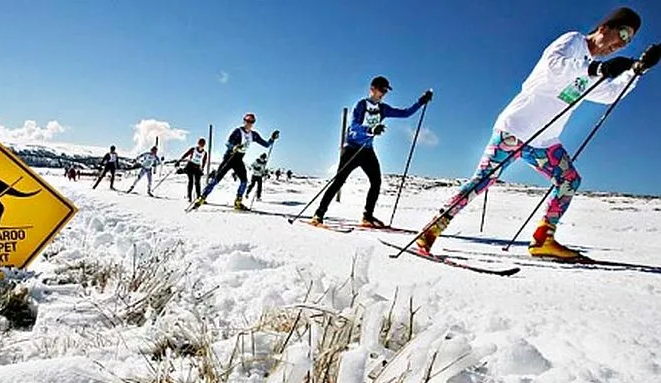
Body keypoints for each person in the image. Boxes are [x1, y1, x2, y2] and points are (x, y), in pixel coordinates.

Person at [415, 7, 659, 259]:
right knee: (483, 180)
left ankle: (544, 239)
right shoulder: (574, 42)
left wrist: (637, 70)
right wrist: (596, 70)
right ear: (604, 28)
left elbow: (609, 94)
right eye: (621, 33)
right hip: (515, 128)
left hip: (544, 141)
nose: (621, 43)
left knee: (569, 180)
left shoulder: (591, 69)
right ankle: (432, 229)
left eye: (628, 41)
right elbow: (553, 66)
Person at [310, 76, 432, 228]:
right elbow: (354, 127)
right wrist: (370, 129)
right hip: (352, 149)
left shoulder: (383, 109)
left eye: (386, 91)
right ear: (372, 89)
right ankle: (318, 214)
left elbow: (405, 113)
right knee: (339, 181)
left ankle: (367, 216)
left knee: (376, 182)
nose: (384, 93)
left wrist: (421, 102)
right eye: (382, 90)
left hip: (367, 151)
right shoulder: (361, 105)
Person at [191, 113, 280, 210]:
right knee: (217, 179)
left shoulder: (253, 135)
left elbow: (266, 144)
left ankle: (238, 202)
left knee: (244, 181)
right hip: (229, 158)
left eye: (251, 121)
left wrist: (272, 138)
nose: (249, 123)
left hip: (238, 159)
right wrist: (234, 147)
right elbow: (228, 143)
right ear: (244, 121)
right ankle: (202, 198)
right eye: (247, 121)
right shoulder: (237, 131)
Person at [178, 138, 208, 202]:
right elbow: (186, 154)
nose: (201, 145)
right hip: (190, 166)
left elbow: (204, 161)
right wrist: (180, 160)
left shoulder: (204, 153)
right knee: (191, 181)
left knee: (197, 183)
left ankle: (199, 197)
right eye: (200, 144)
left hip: (197, 167)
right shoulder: (193, 149)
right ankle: (189, 197)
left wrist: (202, 168)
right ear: (198, 144)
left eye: (202, 144)